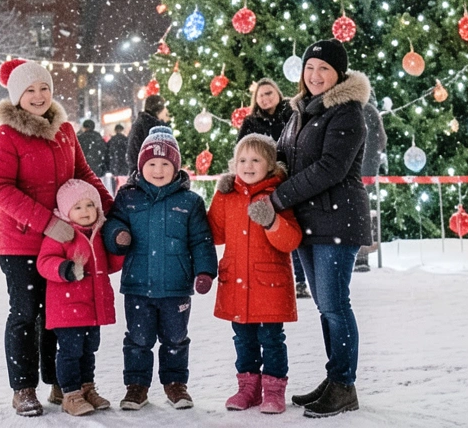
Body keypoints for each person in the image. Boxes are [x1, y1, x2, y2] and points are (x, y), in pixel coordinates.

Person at [0, 59, 112, 416]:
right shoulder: (5, 136)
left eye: (44, 88)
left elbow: (82, 173)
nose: (39, 96)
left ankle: (62, 382)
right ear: (17, 96)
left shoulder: (65, 131)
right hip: (20, 240)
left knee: (61, 312)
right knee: (26, 312)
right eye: (30, 90)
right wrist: (46, 222)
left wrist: (110, 208)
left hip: (63, 238)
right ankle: (23, 387)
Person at [269, 39, 370, 417]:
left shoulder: (347, 112)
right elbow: (284, 155)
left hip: (337, 219)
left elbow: (330, 169)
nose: (315, 75)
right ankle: (335, 378)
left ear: (338, 74)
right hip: (311, 222)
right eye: (310, 68)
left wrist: (278, 198)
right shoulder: (302, 111)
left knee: (334, 305)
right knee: (326, 306)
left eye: (324, 69)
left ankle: (344, 385)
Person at [102, 126, 216, 412]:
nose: (158, 170)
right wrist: (118, 235)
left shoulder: (190, 202)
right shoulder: (128, 197)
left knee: (175, 337)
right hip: (138, 284)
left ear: (175, 167)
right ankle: (136, 386)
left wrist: (205, 272)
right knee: (138, 339)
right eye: (152, 163)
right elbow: (113, 223)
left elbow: (201, 240)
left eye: (165, 164)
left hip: (176, 286)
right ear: (141, 166)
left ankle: (175, 383)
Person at [208, 133, 302, 414]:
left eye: (256, 160)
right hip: (237, 282)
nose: (248, 166)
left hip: (269, 285)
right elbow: (215, 234)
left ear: (270, 165)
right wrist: (219, 194)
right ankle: (247, 389)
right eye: (242, 160)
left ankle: (273, 391)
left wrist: (272, 221)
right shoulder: (229, 197)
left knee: (272, 339)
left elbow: (291, 240)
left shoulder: (278, 195)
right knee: (243, 339)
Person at [36, 179, 123, 416]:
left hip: (92, 307)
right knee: (71, 351)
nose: (85, 211)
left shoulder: (98, 233)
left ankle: (87, 388)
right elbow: (44, 262)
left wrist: (119, 250)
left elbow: (109, 266)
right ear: (66, 211)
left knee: (88, 350)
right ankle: (70, 394)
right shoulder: (62, 234)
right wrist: (64, 268)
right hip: (68, 308)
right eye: (78, 207)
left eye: (90, 205)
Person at [236, 78, 310, 295]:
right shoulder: (251, 122)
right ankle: (261, 280)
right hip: (262, 184)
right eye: (260, 95)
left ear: (278, 93)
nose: (265, 98)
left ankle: (300, 280)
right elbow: (241, 150)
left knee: (290, 228)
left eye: (269, 93)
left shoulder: (292, 115)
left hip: (289, 180)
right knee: (266, 232)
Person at [354, 96, 387, 272]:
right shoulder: (371, 112)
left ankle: (358, 257)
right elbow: (381, 142)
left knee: (353, 213)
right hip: (367, 172)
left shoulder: (355, 108)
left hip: (352, 171)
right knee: (363, 213)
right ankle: (362, 256)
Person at [126, 95, 170, 175]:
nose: (167, 111)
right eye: (165, 108)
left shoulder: (143, 123)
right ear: (158, 110)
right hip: (148, 175)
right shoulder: (152, 126)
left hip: (140, 174)